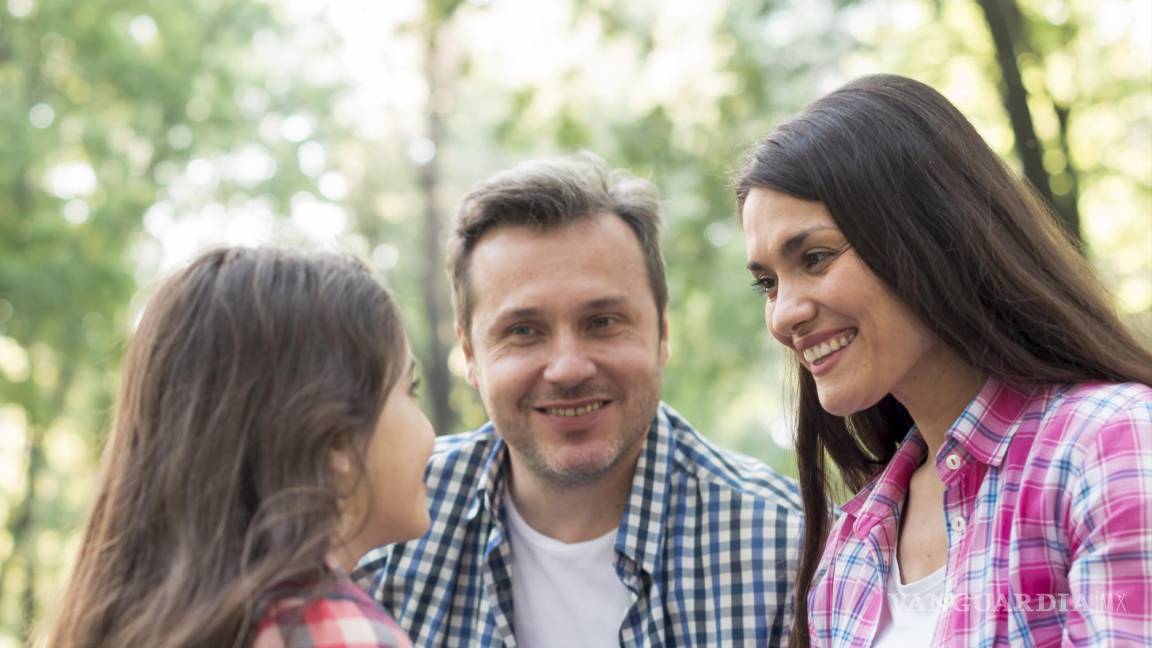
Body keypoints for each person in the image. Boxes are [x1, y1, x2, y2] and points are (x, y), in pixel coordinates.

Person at [735, 73, 1152, 648]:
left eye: (815, 257)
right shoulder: (853, 546)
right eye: (768, 284)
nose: (783, 315)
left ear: (927, 233)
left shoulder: (1108, 446)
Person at [358, 153, 804, 647]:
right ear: (470, 354)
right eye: (523, 331)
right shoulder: (376, 537)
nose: (568, 368)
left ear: (662, 334)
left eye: (602, 322)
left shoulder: (786, 553)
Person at [39, 247, 434, 648]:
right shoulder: (336, 632)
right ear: (337, 440)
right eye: (409, 389)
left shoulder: (129, 621)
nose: (430, 432)